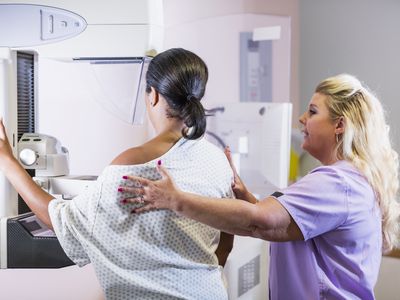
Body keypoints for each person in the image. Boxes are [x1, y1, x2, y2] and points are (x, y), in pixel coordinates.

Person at [120, 74, 400, 299]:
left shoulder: (337, 183)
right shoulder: (352, 179)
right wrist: (249, 199)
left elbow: (263, 224)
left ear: (339, 125)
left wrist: (174, 200)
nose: (302, 119)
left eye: (312, 111)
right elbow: (290, 227)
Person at [0, 48, 235, 299]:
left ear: (153, 95)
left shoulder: (132, 164)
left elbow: (60, 220)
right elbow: (226, 242)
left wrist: (7, 161)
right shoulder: (217, 160)